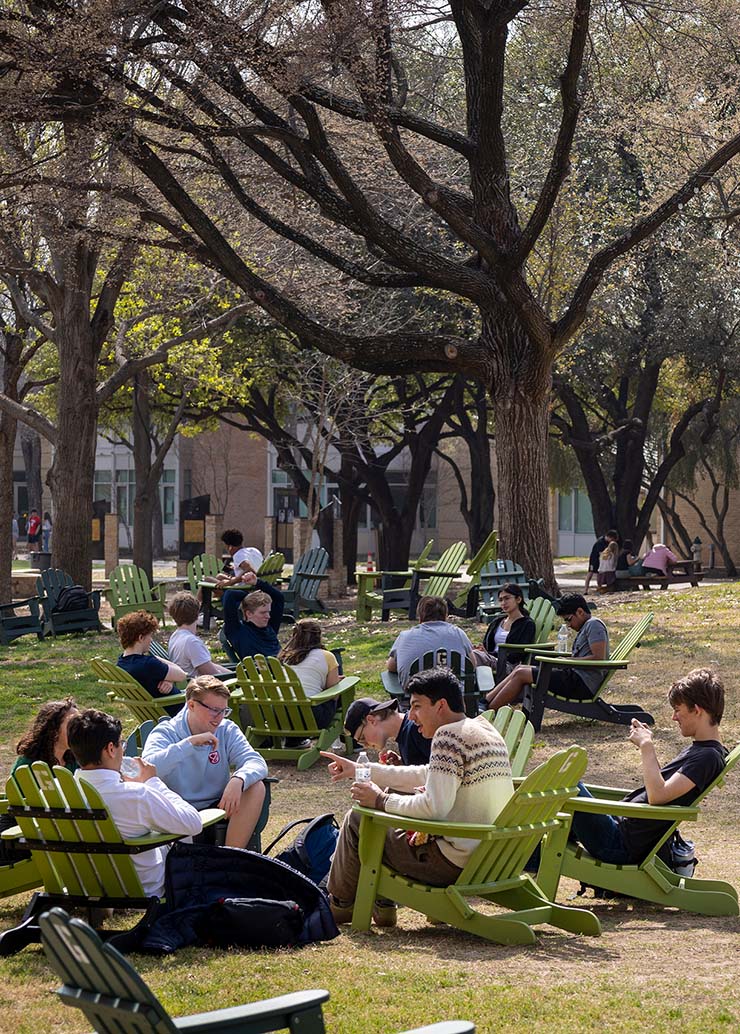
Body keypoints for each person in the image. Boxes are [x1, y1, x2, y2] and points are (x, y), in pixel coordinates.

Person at [321, 666, 514, 927]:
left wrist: (381, 801)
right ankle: (381, 905)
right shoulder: (481, 729)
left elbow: (434, 808)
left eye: (417, 706)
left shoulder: (448, 736)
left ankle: (341, 904)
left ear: (440, 705)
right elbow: (427, 773)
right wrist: (361, 769)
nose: (411, 716)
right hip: (490, 855)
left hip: (451, 862)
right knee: (379, 815)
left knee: (358, 819)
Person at [567, 669, 727, 866]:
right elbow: (661, 788)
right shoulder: (703, 750)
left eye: (678, 710)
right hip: (619, 829)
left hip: (619, 843)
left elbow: (657, 795)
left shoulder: (708, 757)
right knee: (557, 792)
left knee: (564, 780)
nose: (673, 718)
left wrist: (646, 746)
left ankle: (525, 864)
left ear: (697, 709)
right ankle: (529, 862)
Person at [67, 708, 202, 898]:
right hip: (143, 888)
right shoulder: (136, 795)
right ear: (110, 749)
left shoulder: (60, 793)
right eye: (121, 744)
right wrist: (152, 781)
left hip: (87, 885)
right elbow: (193, 823)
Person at [141, 675, 267, 849]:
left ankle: (231, 857)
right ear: (191, 705)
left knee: (256, 787)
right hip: (179, 810)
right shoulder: (166, 733)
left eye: (224, 711)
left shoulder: (226, 729)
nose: (219, 717)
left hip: (219, 806)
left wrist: (239, 779)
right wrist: (188, 744)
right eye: (214, 710)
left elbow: (255, 761)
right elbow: (148, 768)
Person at [485, 593, 608, 709]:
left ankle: (488, 709)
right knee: (520, 669)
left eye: (568, 619)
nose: (568, 625)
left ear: (580, 612)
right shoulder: (586, 626)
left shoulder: (594, 625)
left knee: (522, 673)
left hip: (580, 683)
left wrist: (567, 661)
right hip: (572, 677)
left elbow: (598, 658)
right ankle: (485, 701)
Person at [0, 698, 81, 860]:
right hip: (19, 833)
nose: (79, 729)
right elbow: (18, 811)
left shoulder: (72, 759)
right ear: (53, 730)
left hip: (53, 829)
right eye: (72, 724)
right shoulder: (31, 763)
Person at [387, 595, 477, 690]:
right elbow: (473, 665)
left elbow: (391, 666)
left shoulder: (405, 636)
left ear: (420, 617)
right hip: (454, 701)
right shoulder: (458, 633)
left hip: (416, 701)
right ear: (445, 616)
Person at [116, 610, 188, 715]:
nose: (151, 640)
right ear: (141, 638)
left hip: (151, 714)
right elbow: (182, 675)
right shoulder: (148, 664)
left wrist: (168, 680)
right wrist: (155, 657)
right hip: (177, 714)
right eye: (150, 636)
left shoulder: (122, 663)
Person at [277, 618, 341, 729]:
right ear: (318, 636)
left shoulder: (285, 657)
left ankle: (294, 741)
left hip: (281, 715)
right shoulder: (327, 656)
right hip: (312, 717)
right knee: (341, 691)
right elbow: (333, 695)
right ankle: (351, 739)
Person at [343, 697, 432, 765]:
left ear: (371, 720)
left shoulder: (418, 729)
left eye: (362, 738)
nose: (365, 745)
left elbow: (438, 775)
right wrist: (402, 763)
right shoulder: (405, 733)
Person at [471, 583, 536, 676]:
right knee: (467, 652)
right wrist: (482, 650)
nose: (503, 603)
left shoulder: (526, 624)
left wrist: (489, 654)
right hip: (490, 659)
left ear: (518, 599)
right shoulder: (497, 621)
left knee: (473, 655)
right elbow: (486, 644)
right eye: (500, 600)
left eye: (507, 598)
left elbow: (517, 655)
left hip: (508, 666)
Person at [167, 591, 234, 678]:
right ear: (197, 613)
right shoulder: (191, 642)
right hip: (201, 687)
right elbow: (213, 674)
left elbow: (208, 664)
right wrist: (236, 678)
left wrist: (234, 675)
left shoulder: (175, 636)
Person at [220, 574, 285, 661]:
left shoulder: (270, 627)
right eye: (263, 613)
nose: (268, 616)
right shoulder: (237, 630)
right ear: (249, 614)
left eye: (268, 612)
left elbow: (279, 598)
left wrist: (257, 582)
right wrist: (250, 597)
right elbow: (230, 595)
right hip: (261, 672)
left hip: (284, 667)